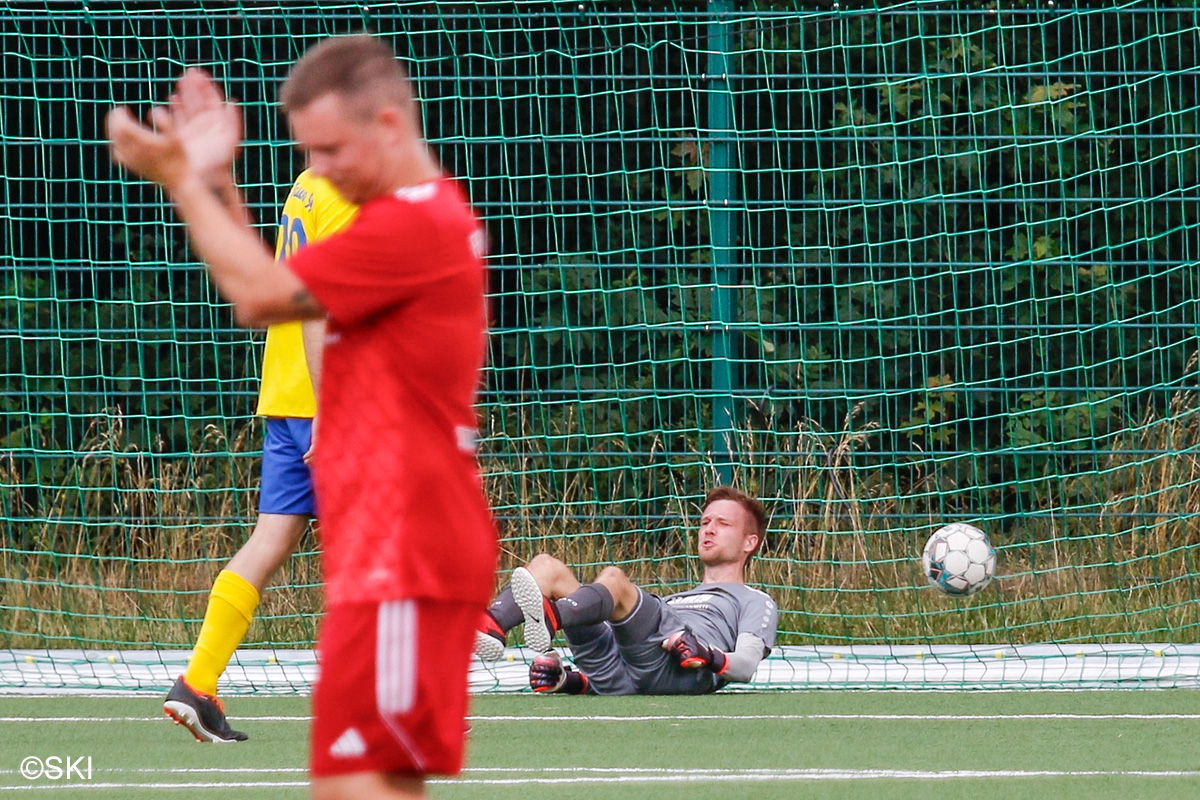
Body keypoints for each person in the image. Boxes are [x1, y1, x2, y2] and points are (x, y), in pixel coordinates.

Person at [108, 34, 498, 800]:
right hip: (385, 547)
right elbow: (277, 289)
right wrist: (214, 181)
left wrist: (185, 181)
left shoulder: (413, 224)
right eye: (307, 151)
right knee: (356, 786)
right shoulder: (397, 215)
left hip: (408, 551)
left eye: (330, 149)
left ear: (389, 126)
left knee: (363, 787)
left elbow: (259, 296)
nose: (317, 169)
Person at [163, 157, 358, 742]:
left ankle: (197, 682)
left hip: (285, 394)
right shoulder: (344, 191)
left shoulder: (305, 186)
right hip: (329, 400)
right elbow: (321, 302)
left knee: (270, 540)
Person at [477, 486, 778, 695]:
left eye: (722, 523)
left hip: (681, 670)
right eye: (705, 522)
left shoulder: (754, 600)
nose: (708, 529)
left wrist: (709, 655)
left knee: (615, 580)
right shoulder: (675, 599)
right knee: (547, 567)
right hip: (623, 674)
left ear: (749, 542)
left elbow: (746, 665)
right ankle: (493, 624)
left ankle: (551, 618)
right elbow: (630, 672)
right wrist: (571, 681)